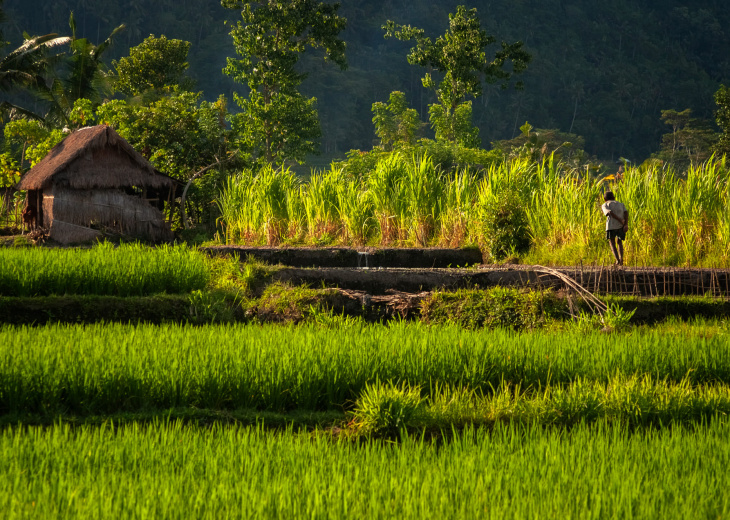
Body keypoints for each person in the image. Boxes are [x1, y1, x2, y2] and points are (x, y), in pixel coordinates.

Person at [601, 191, 628, 265]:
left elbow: (609, 213)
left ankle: (617, 260)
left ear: (605, 199)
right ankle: (621, 259)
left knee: (612, 242)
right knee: (619, 242)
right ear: (614, 197)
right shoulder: (621, 204)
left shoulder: (605, 204)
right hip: (620, 226)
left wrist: (620, 220)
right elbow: (626, 213)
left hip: (611, 226)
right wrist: (625, 224)